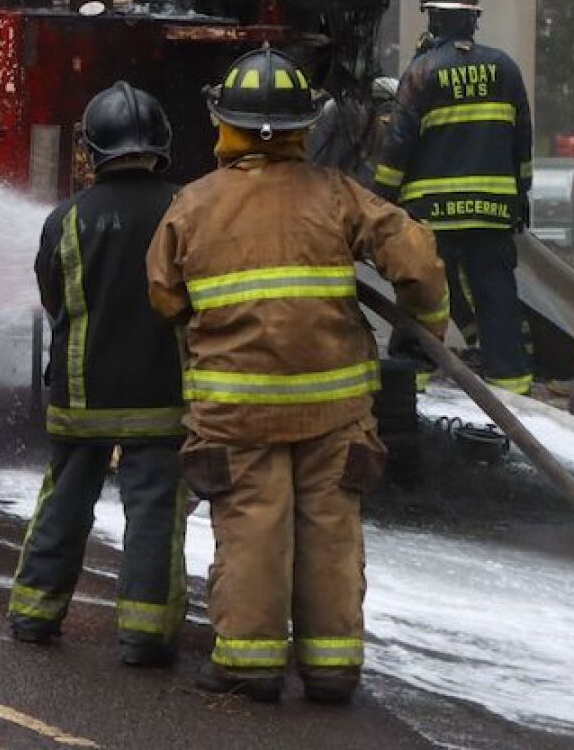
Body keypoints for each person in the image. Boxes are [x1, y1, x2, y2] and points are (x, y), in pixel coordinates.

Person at [149, 47, 447, 705]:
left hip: (235, 411)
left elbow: (165, 297)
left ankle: (251, 665)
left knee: (253, 525)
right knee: (331, 528)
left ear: (223, 123)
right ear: (301, 128)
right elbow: (418, 262)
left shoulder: (192, 206)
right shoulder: (338, 194)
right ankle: (332, 667)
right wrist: (434, 322)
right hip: (333, 408)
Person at [6, 82, 187, 665]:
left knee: (63, 502)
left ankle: (34, 615)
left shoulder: (67, 218)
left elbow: (52, 300)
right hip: (163, 394)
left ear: (93, 148)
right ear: (159, 142)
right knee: (154, 512)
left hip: (80, 393)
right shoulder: (186, 209)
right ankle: (144, 636)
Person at [371, 0, 536, 394]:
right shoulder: (506, 68)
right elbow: (522, 139)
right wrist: (521, 195)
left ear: (436, 19)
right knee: (496, 293)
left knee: (423, 292)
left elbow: (399, 144)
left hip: (433, 213)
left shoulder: (422, 71)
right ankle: (512, 382)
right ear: (473, 21)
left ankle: (411, 379)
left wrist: (381, 201)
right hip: (495, 209)